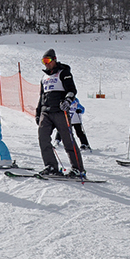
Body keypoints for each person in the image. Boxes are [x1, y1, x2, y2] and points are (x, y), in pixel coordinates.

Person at [35, 49, 85, 177]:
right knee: (43, 138)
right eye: (43, 61)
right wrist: (38, 112)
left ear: (54, 59)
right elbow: (41, 96)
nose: (46, 64)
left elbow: (72, 90)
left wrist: (67, 100)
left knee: (68, 140)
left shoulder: (64, 73)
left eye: (47, 60)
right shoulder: (44, 77)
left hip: (60, 111)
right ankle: (51, 166)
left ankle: (78, 168)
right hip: (46, 112)